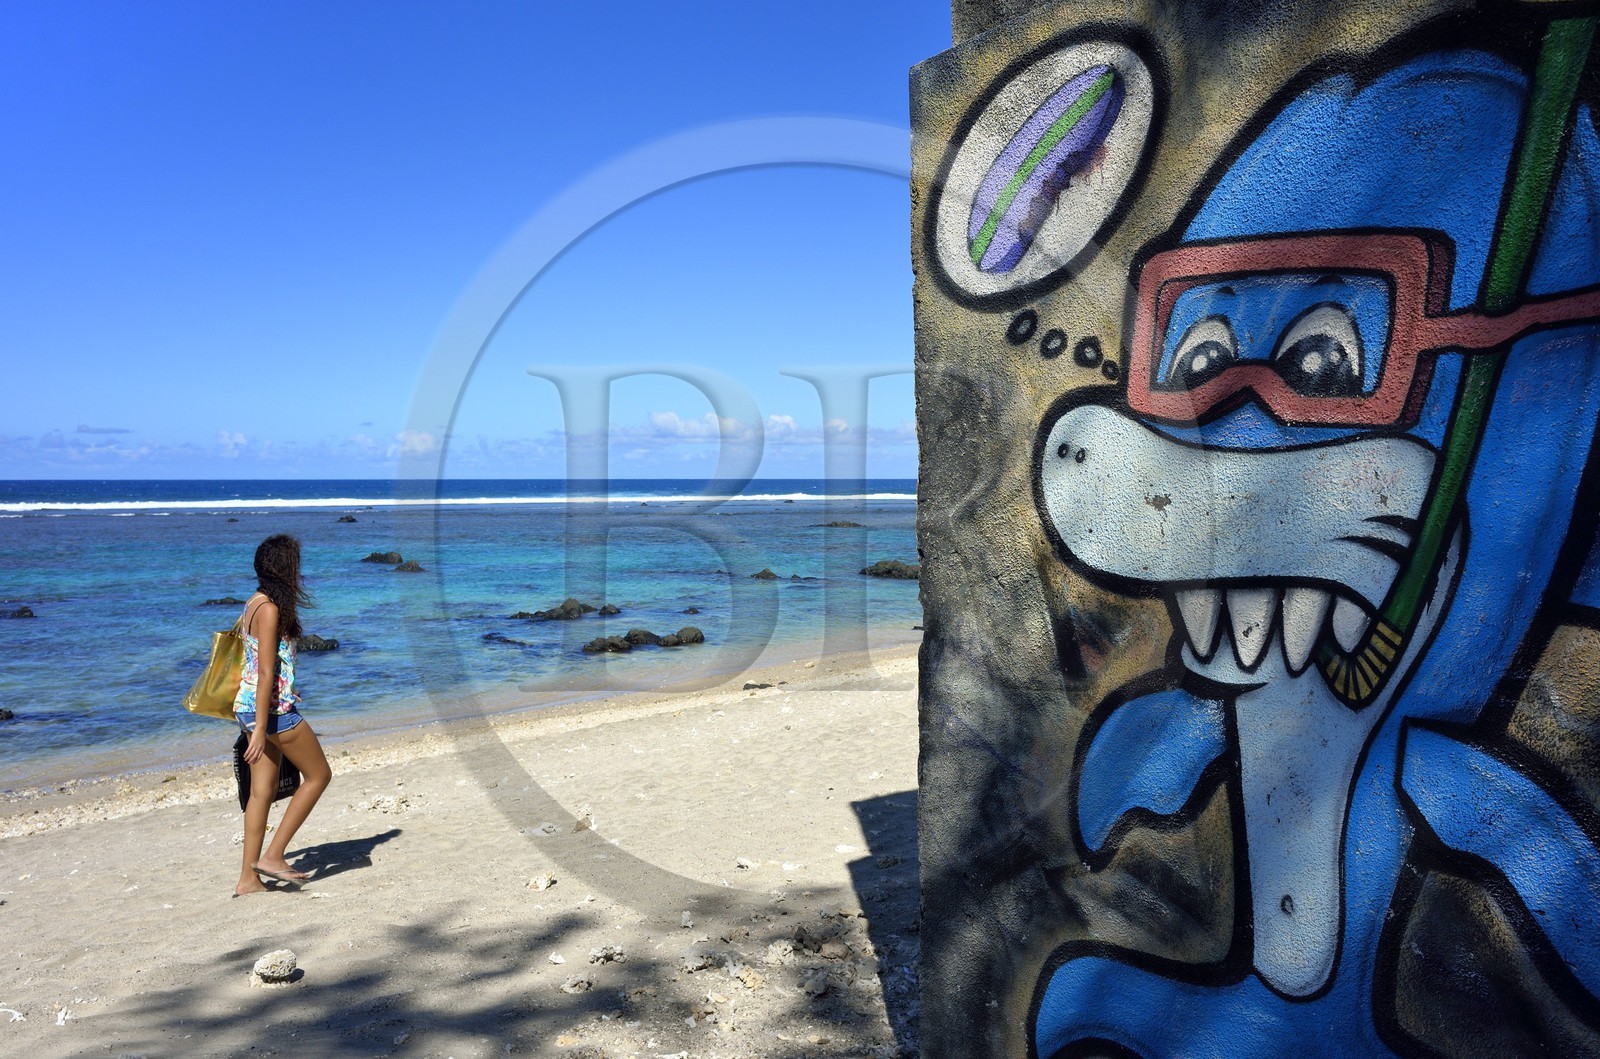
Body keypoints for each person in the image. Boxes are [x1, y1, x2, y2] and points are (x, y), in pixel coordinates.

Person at [233, 534, 332, 896]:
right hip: (271, 714)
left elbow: (267, 668)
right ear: (284, 569)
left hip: (248, 706)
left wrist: (285, 686)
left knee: (262, 793)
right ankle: (273, 856)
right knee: (319, 776)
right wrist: (261, 728)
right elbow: (263, 671)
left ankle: (248, 879)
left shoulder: (254, 603)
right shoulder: (271, 609)